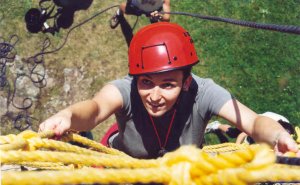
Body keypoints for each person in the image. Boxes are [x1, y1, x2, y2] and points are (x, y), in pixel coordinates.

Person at [39, 22, 299, 159]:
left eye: (168, 85)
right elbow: (95, 109)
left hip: (178, 174)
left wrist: (277, 136)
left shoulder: (204, 92)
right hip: (125, 164)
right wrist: (68, 116)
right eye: (146, 82)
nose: (154, 96)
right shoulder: (125, 89)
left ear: (186, 82)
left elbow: (253, 123)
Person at [206, 112, 295, 145]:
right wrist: (237, 146)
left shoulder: (287, 136)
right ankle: (216, 125)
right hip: (256, 122)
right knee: (233, 133)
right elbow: (243, 133)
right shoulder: (265, 127)